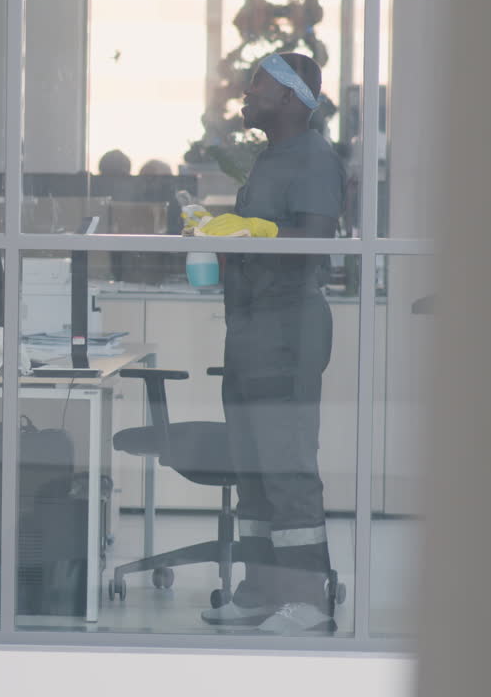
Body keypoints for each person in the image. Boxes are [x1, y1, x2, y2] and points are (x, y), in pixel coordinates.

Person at [191, 53, 343, 634]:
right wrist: (214, 237)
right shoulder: (267, 159)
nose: (244, 94)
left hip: (288, 328)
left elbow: (314, 239)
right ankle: (260, 591)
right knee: (251, 464)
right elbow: (257, 240)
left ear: (289, 97)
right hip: (249, 326)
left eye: (256, 85)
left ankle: (307, 599)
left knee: (286, 464)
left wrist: (258, 231)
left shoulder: (314, 158)